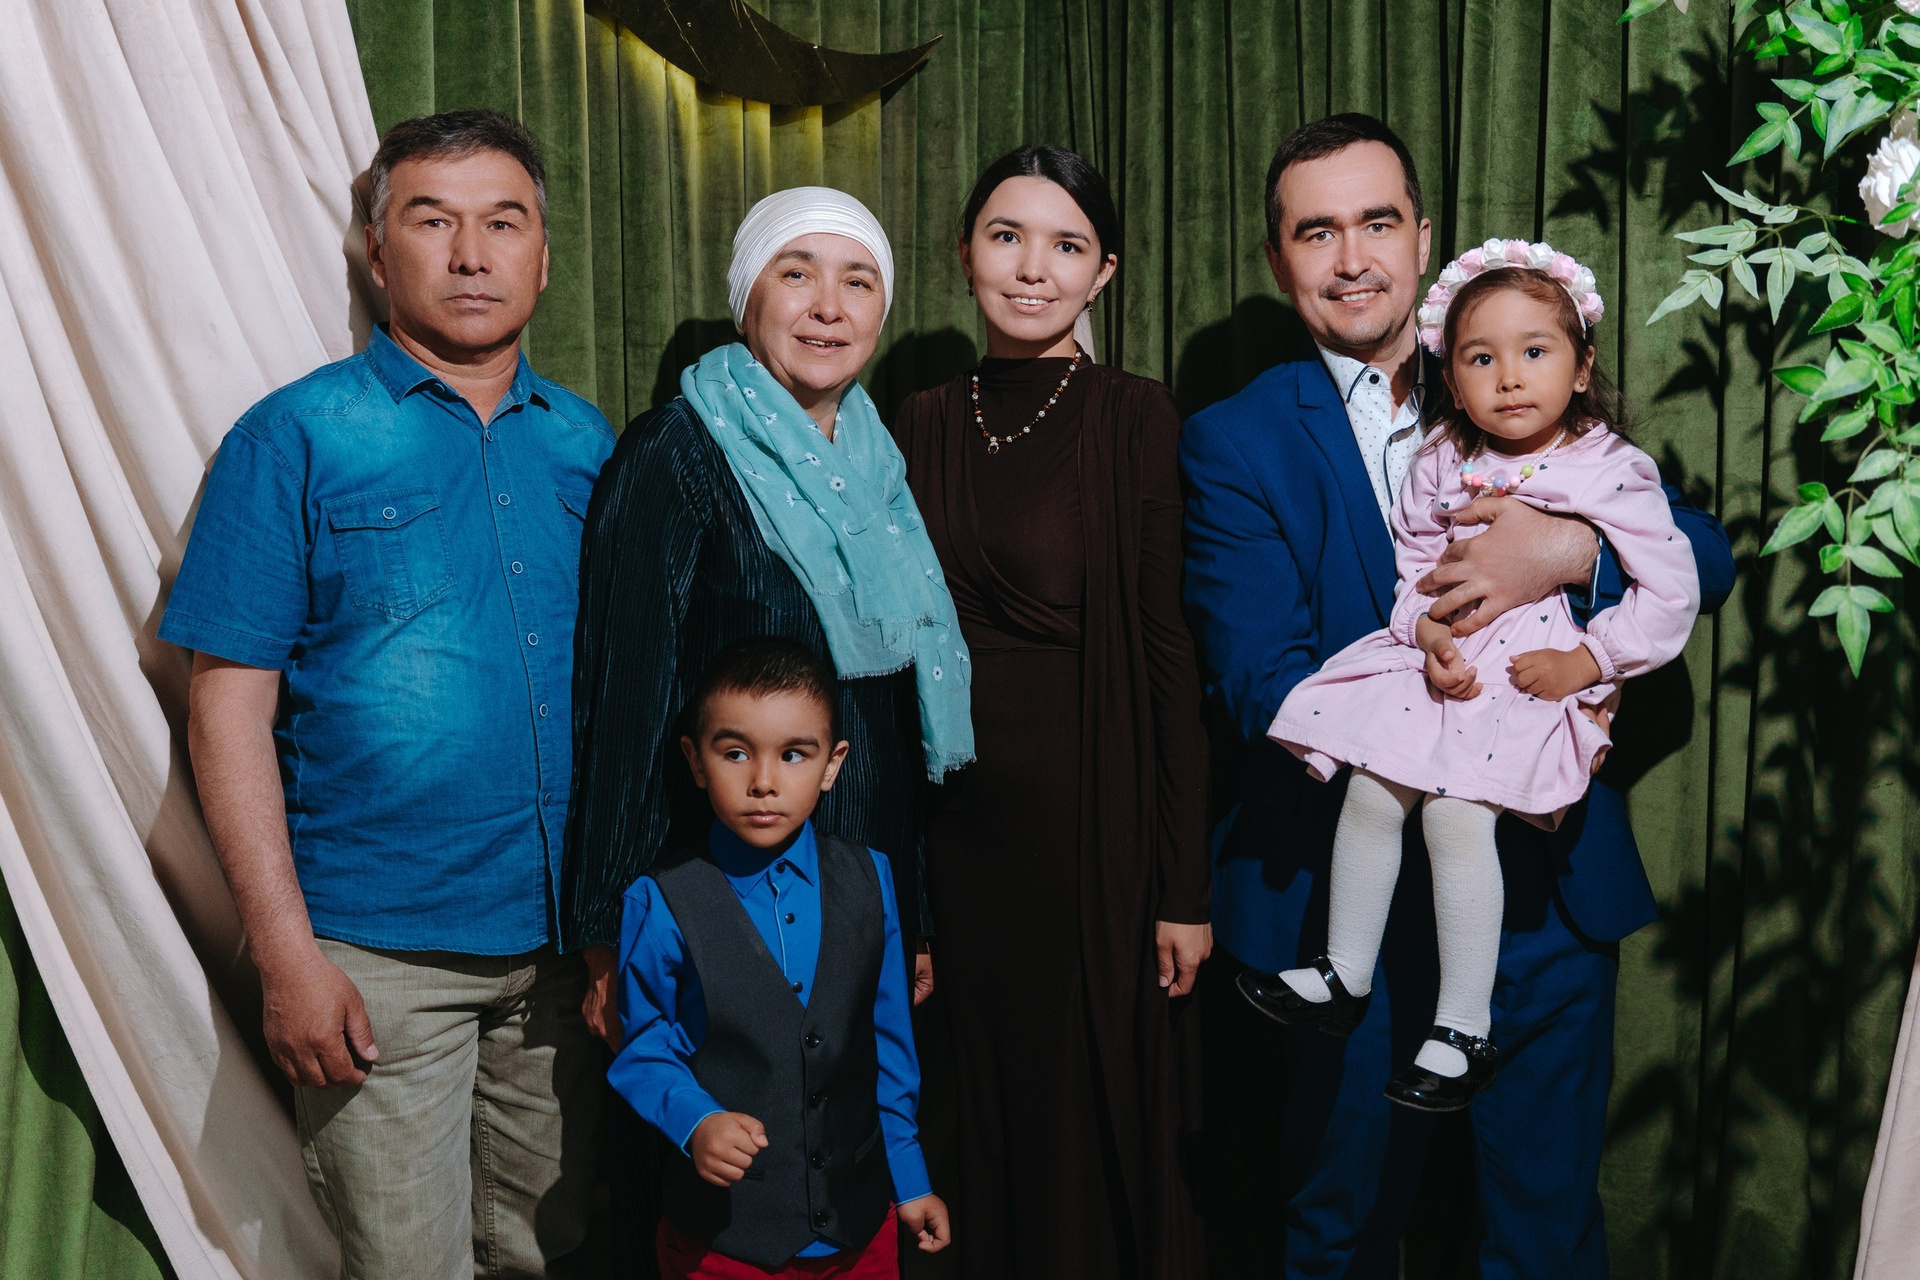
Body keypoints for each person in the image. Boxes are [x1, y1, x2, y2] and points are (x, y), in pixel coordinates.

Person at [1180, 113, 1737, 1277]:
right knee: (1337, 1232)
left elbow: (1701, 552)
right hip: (1352, 892)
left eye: (1378, 222)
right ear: (1279, 259)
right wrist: (1423, 678)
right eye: (1316, 231)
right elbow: (1256, 671)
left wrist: (1567, 553)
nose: (1352, 257)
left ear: (1423, 237)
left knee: (1541, 1236)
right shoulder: (1234, 439)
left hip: (1544, 894)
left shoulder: (1518, 355)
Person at [161, 110, 613, 1278]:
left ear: (543, 256)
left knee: (550, 1252)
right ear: (377, 251)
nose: (471, 254)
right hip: (378, 960)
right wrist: (286, 954)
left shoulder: (588, 443)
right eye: (432, 220)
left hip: (564, 951)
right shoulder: (294, 437)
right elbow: (226, 708)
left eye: (503, 223)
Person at [1262, 246, 1702, 1111]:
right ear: (1454, 383)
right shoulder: (1441, 459)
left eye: (1535, 351)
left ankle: (1463, 1031)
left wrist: (1591, 661)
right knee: (1370, 790)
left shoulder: (1611, 468)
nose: (1509, 377)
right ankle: (1343, 973)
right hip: (1448, 667)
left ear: (1582, 368)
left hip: (1536, 676)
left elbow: (1672, 588)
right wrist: (1425, 630)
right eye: (1480, 358)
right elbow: (1415, 573)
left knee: (1457, 818)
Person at [891, 144, 1212, 1280]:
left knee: (1085, 1123)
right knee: (964, 1115)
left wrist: (1181, 887)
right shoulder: (915, 418)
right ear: (964, 252)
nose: (1033, 269)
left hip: (1095, 840)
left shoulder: (1137, 416)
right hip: (952, 838)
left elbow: (1169, 656)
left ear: (1104, 273)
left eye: (1067, 246)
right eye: (1007, 237)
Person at [564, 185, 970, 1020]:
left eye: (858, 281)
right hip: (716, 902)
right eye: (796, 273)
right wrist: (609, 928)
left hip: (864, 892)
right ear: (746, 296)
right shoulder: (674, 451)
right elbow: (624, 701)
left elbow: (892, 722)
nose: (829, 307)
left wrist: (915, 913)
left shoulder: (877, 471)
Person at [611, 637, 953, 1279]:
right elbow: (643, 1046)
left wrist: (909, 1179)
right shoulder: (659, 900)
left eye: (794, 754)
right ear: (695, 760)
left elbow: (889, 1046)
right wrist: (694, 1120)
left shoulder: (872, 878)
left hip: (861, 1231)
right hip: (725, 1244)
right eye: (735, 753)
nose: (764, 782)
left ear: (832, 764)